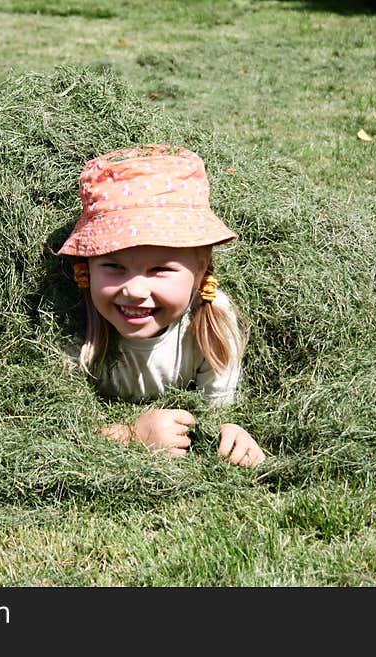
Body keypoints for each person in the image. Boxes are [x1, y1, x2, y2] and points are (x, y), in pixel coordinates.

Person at [57, 144, 266, 468]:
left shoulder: (213, 326)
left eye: (160, 269)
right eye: (113, 267)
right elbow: (51, 425)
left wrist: (230, 433)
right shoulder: (72, 325)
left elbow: (217, 413)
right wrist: (129, 434)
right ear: (85, 268)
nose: (136, 290)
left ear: (201, 270)